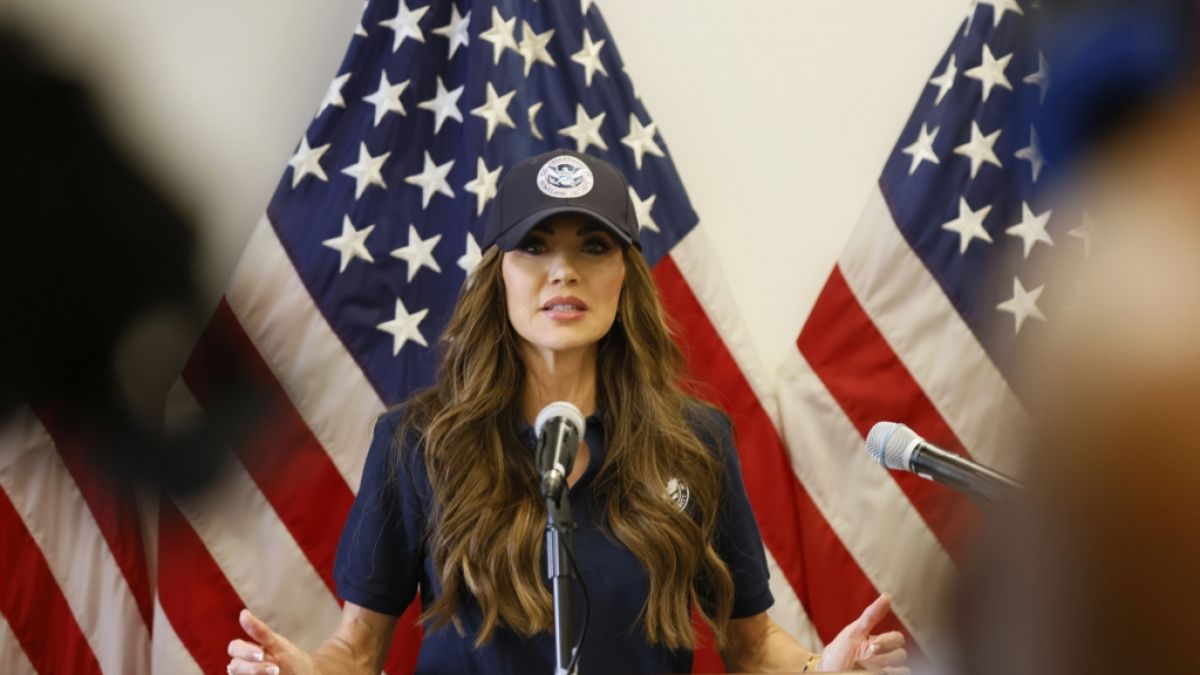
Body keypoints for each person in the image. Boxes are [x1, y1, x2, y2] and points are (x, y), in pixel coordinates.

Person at [225, 149, 909, 674]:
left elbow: (750, 643)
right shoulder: (416, 442)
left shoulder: (694, 440)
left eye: (593, 246)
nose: (564, 270)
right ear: (498, 272)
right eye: (535, 245)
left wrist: (820, 668)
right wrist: (307, 671)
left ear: (624, 274)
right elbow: (358, 647)